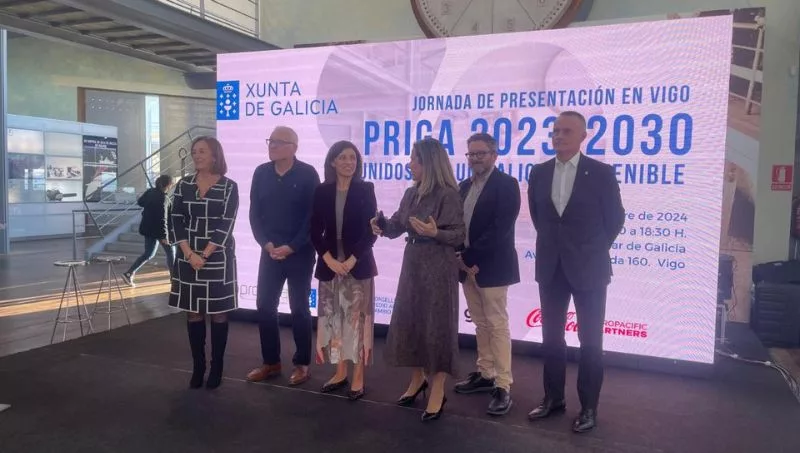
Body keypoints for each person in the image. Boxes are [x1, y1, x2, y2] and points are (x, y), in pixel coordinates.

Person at [526, 111, 625, 433]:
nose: (558, 136)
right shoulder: (539, 172)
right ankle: (553, 398)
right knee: (552, 339)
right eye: (555, 130)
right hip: (550, 267)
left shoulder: (601, 173)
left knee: (590, 342)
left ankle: (589, 407)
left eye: (566, 131)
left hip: (590, 268)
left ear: (583, 136)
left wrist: (591, 249)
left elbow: (615, 219)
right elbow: (540, 218)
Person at [370, 137, 465, 422]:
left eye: (414, 159)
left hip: (439, 266)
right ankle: (417, 379)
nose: (410, 164)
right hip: (412, 264)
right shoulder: (411, 193)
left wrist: (435, 233)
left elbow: (459, 235)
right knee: (411, 321)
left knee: (437, 326)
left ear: (429, 163)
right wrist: (381, 225)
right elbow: (396, 226)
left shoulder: (448, 194)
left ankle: (437, 388)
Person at [247, 126, 321, 386]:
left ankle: (302, 364)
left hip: (300, 253)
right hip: (270, 252)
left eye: (279, 142)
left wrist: (292, 246)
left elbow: (313, 217)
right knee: (265, 306)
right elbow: (254, 213)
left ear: (294, 147)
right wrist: (266, 244)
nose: (272, 145)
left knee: (299, 309)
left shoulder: (308, 174)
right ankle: (271, 362)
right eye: (271, 141)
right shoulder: (261, 173)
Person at [453, 133, 520, 416]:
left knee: (497, 325)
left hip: (491, 266)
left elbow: (500, 229)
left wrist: (470, 258)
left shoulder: (507, 185)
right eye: (471, 154)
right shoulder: (463, 186)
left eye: (481, 153)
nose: (475, 158)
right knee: (480, 323)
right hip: (466, 266)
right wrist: (460, 256)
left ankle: (503, 385)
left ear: (494, 155)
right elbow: (456, 224)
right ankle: (486, 373)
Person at [168, 136, 239, 390]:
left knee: (219, 313)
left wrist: (205, 254)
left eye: (202, 151)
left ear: (215, 155)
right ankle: (198, 367)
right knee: (193, 313)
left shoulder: (229, 186)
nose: (196, 156)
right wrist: (189, 254)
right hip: (188, 257)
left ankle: (216, 366)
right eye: (194, 151)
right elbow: (175, 219)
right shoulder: (183, 185)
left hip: (217, 257)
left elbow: (226, 225)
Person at [310, 140, 378, 401]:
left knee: (357, 323)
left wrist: (351, 260)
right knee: (334, 320)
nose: (349, 162)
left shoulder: (365, 189)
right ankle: (340, 372)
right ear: (333, 161)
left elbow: (372, 230)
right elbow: (314, 230)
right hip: (330, 266)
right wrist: (328, 259)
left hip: (357, 265)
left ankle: (358, 376)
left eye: (353, 158)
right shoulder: (322, 191)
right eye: (343, 157)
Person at [121, 174, 175, 286]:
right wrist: (165, 236)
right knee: (171, 253)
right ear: (168, 185)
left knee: (149, 254)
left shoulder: (150, 192)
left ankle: (129, 273)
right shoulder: (164, 199)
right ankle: (174, 279)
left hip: (149, 229)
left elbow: (140, 202)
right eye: (172, 184)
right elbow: (163, 219)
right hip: (159, 231)